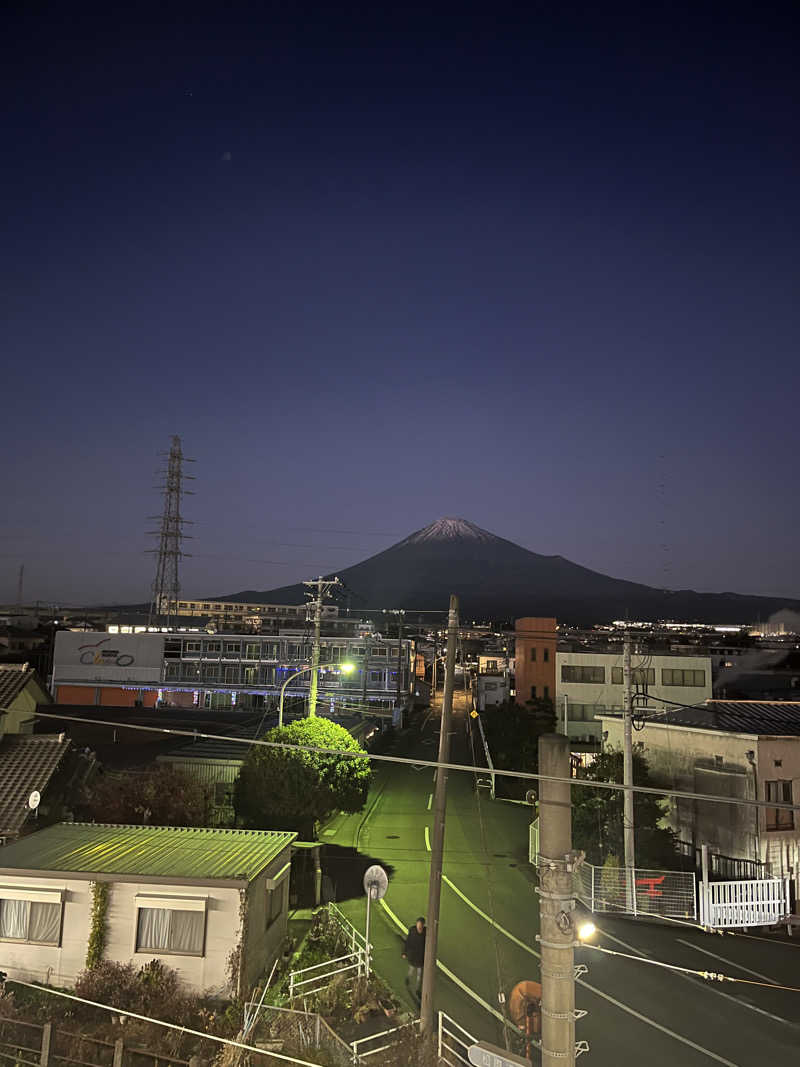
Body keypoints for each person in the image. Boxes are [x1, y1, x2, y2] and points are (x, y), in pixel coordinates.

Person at [402, 917, 426, 998]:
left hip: (421, 957)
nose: (419, 926)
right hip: (414, 956)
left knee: (419, 975)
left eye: (420, 925)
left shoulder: (426, 932)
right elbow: (408, 942)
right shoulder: (412, 931)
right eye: (418, 924)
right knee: (411, 970)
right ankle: (408, 978)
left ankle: (417, 990)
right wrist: (404, 952)